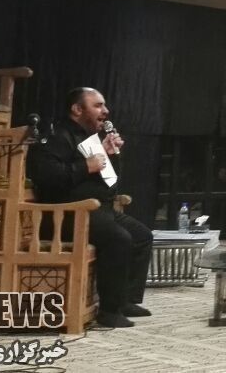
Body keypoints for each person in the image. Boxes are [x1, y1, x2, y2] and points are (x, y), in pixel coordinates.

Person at [27, 88, 152, 329]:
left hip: (97, 209)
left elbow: (109, 182)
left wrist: (110, 155)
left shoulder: (90, 138)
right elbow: (46, 176)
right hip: (66, 213)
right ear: (77, 109)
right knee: (119, 239)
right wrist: (86, 166)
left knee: (142, 236)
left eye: (104, 105)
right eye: (98, 106)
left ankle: (126, 300)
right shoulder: (56, 136)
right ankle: (109, 311)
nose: (105, 111)